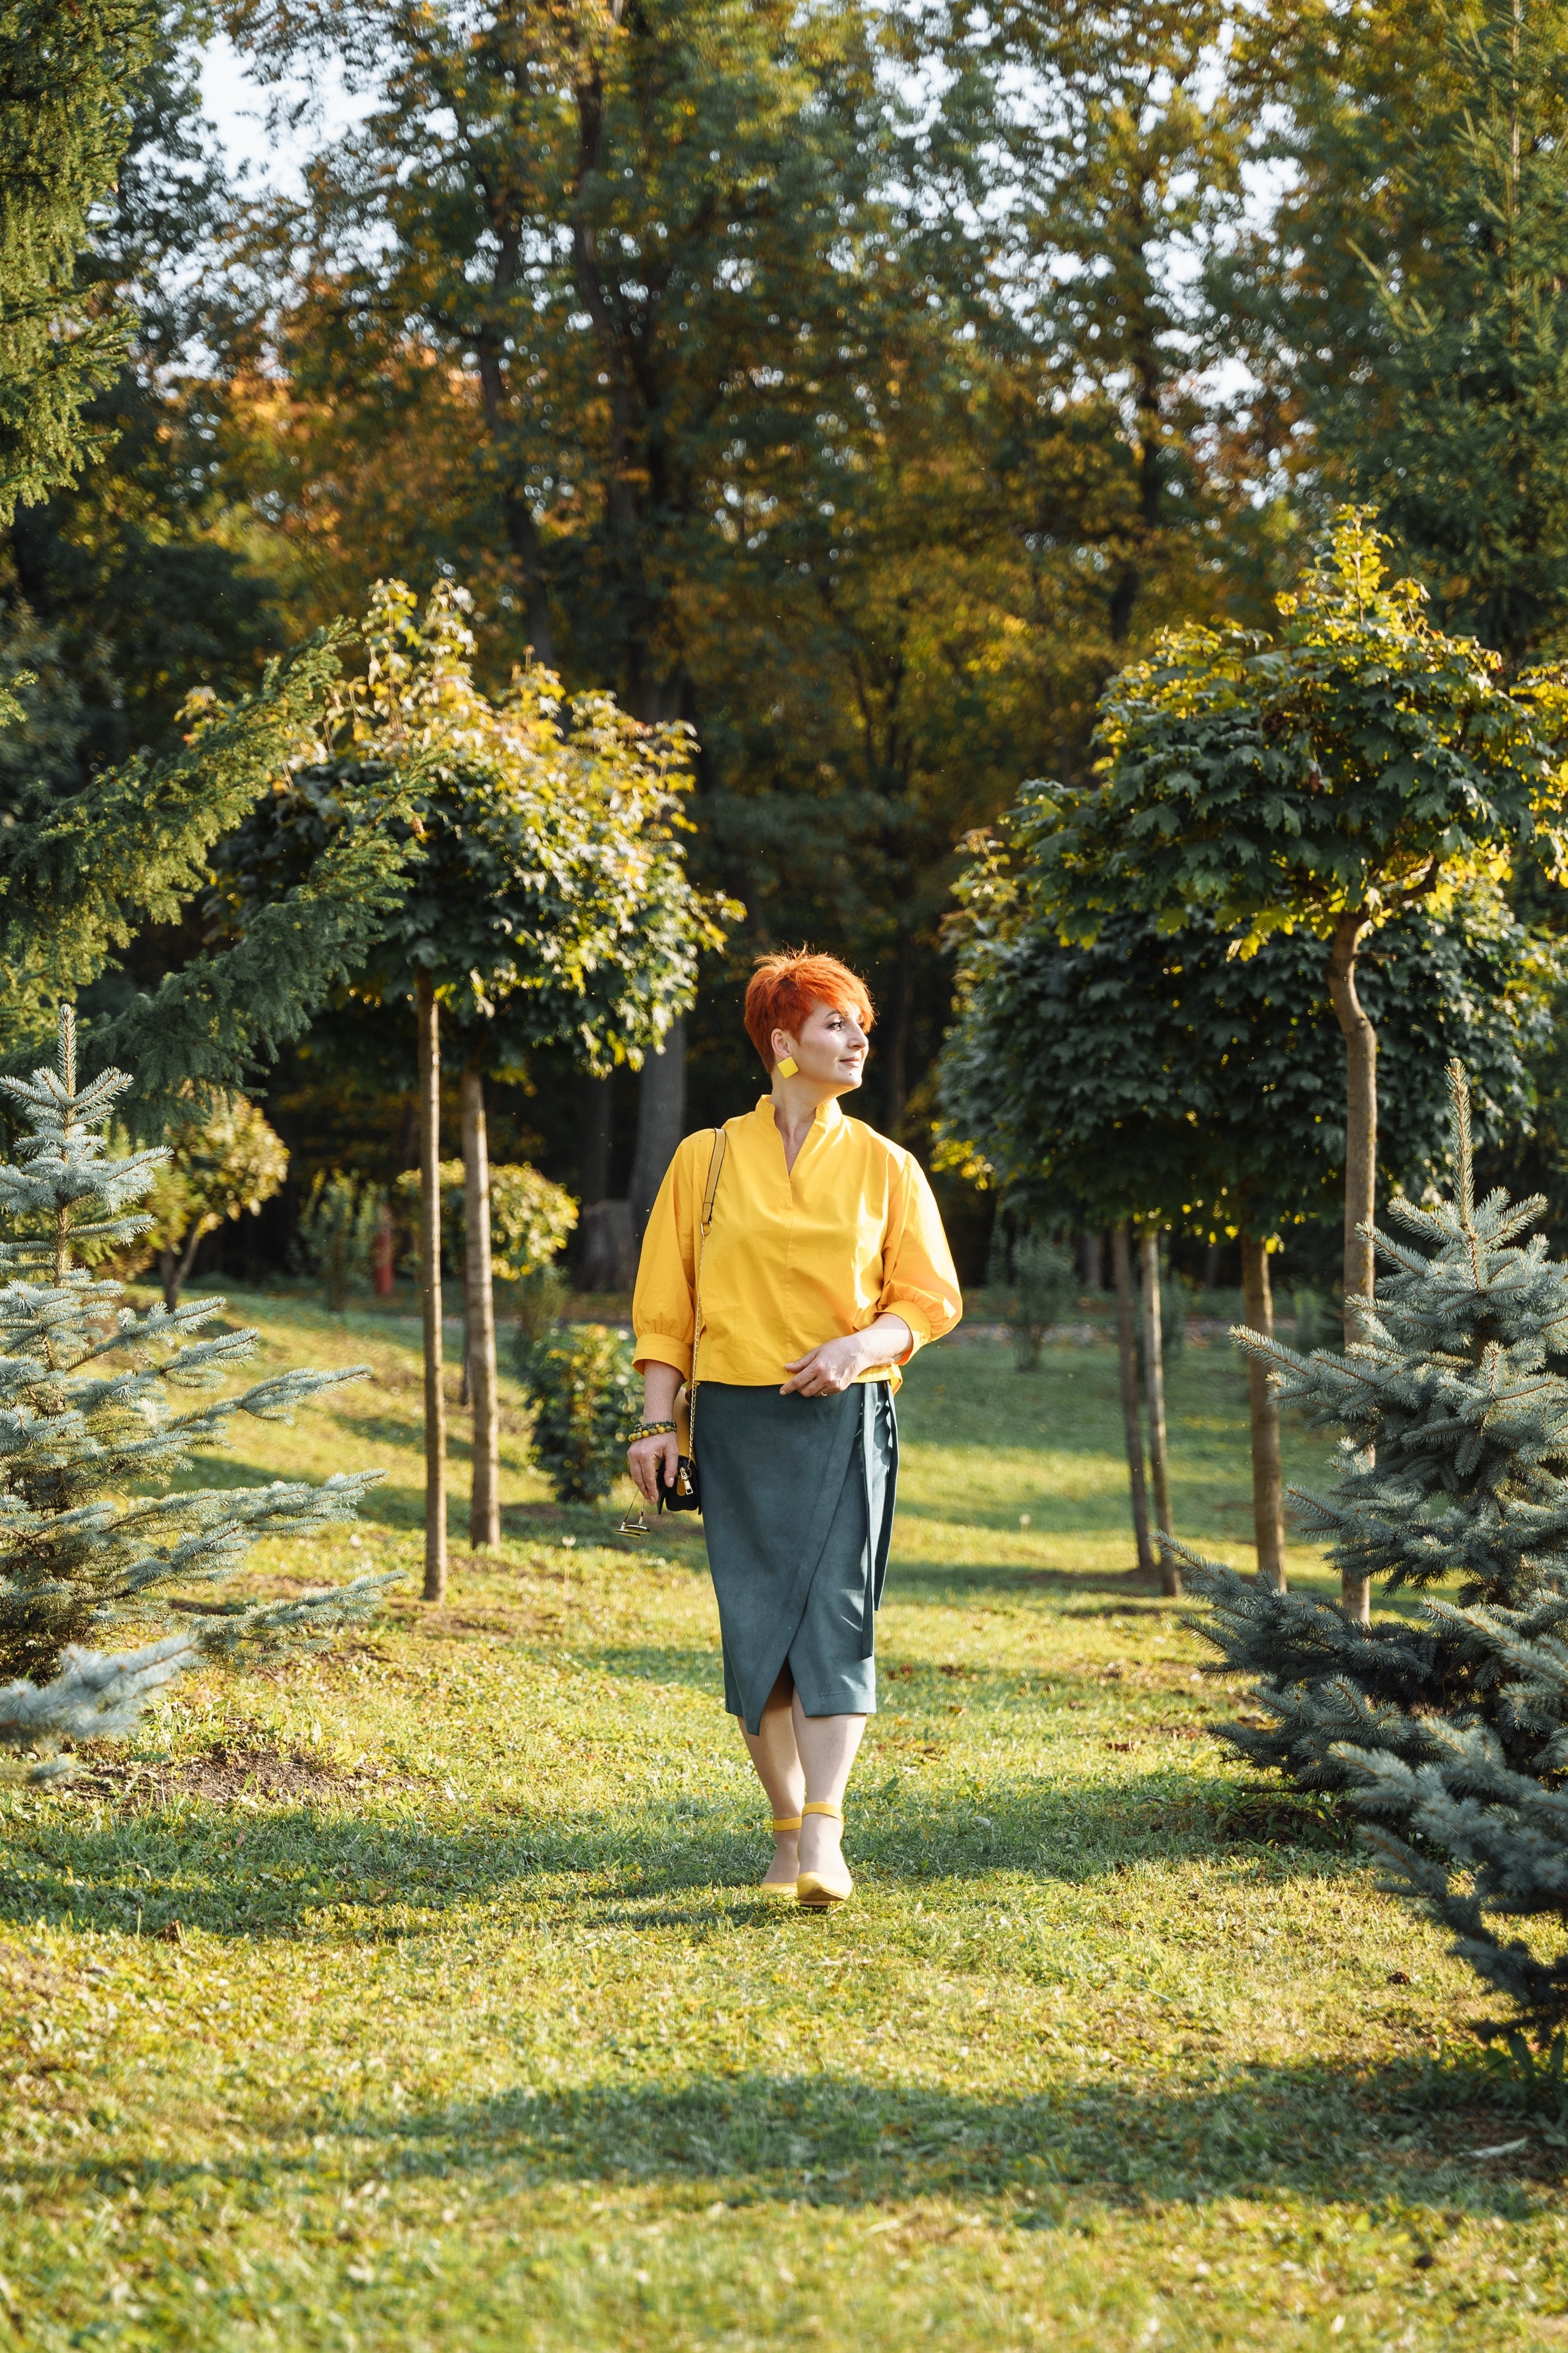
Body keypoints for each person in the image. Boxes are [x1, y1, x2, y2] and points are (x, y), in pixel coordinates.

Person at [627, 951, 963, 1909]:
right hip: (731, 1424)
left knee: (837, 1622)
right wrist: (658, 1424)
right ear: (783, 1043)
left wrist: (862, 1347)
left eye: (860, 1024)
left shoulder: (886, 1166)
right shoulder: (706, 1158)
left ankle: (827, 1834)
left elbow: (928, 1300)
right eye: (835, 1025)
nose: (858, 1039)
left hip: (844, 1420)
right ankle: (784, 1829)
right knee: (757, 1637)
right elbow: (665, 1303)